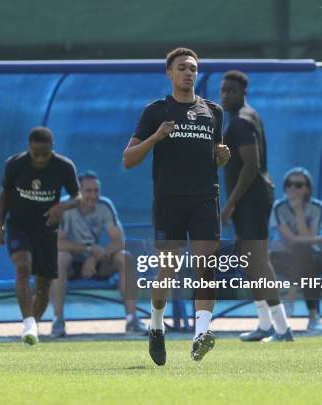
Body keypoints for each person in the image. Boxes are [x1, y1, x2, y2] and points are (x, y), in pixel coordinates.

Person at [123, 47, 230, 364]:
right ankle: (156, 324)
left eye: (193, 69)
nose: (188, 73)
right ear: (169, 73)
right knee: (167, 270)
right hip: (169, 200)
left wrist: (222, 158)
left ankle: (201, 334)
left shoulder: (213, 111)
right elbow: (128, 159)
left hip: (205, 198)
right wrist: (155, 137)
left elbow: (215, 156)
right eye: (182, 68)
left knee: (206, 267)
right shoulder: (156, 111)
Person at [219, 70, 293, 342]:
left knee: (259, 261)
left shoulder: (241, 121)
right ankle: (264, 324)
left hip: (251, 199)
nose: (226, 95)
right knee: (249, 263)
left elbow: (251, 164)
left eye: (232, 91)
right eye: (223, 91)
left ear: (243, 94)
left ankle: (283, 329)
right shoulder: (246, 117)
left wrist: (230, 205)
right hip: (251, 199)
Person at [0, 127, 80, 345]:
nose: (40, 159)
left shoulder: (64, 166)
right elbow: (4, 194)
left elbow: (77, 197)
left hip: (47, 230)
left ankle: (31, 330)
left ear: (53, 148)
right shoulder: (14, 164)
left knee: (43, 284)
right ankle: (28, 323)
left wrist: (62, 206)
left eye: (45, 154)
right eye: (36, 154)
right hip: (19, 226)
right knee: (23, 266)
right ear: (29, 148)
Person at [49, 171, 148, 338]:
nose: (93, 195)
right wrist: (88, 248)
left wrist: (93, 258)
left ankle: (132, 320)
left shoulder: (105, 205)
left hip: (96, 263)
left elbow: (119, 241)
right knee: (60, 257)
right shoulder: (64, 206)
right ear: (77, 192)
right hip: (71, 264)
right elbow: (57, 243)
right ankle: (57, 321)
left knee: (125, 257)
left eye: (96, 191)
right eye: (88, 191)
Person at [270, 167, 322, 331]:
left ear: (307, 188)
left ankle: (290, 298)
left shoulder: (318, 207)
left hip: (309, 258)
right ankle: (314, 318)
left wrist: (299, 211)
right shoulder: (278, 207)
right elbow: (291, 240)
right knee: (306, 263)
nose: (292, 188)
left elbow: (306, 240)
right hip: (282, 257)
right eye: (289, 184)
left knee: (305, 255)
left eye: (298, 185)